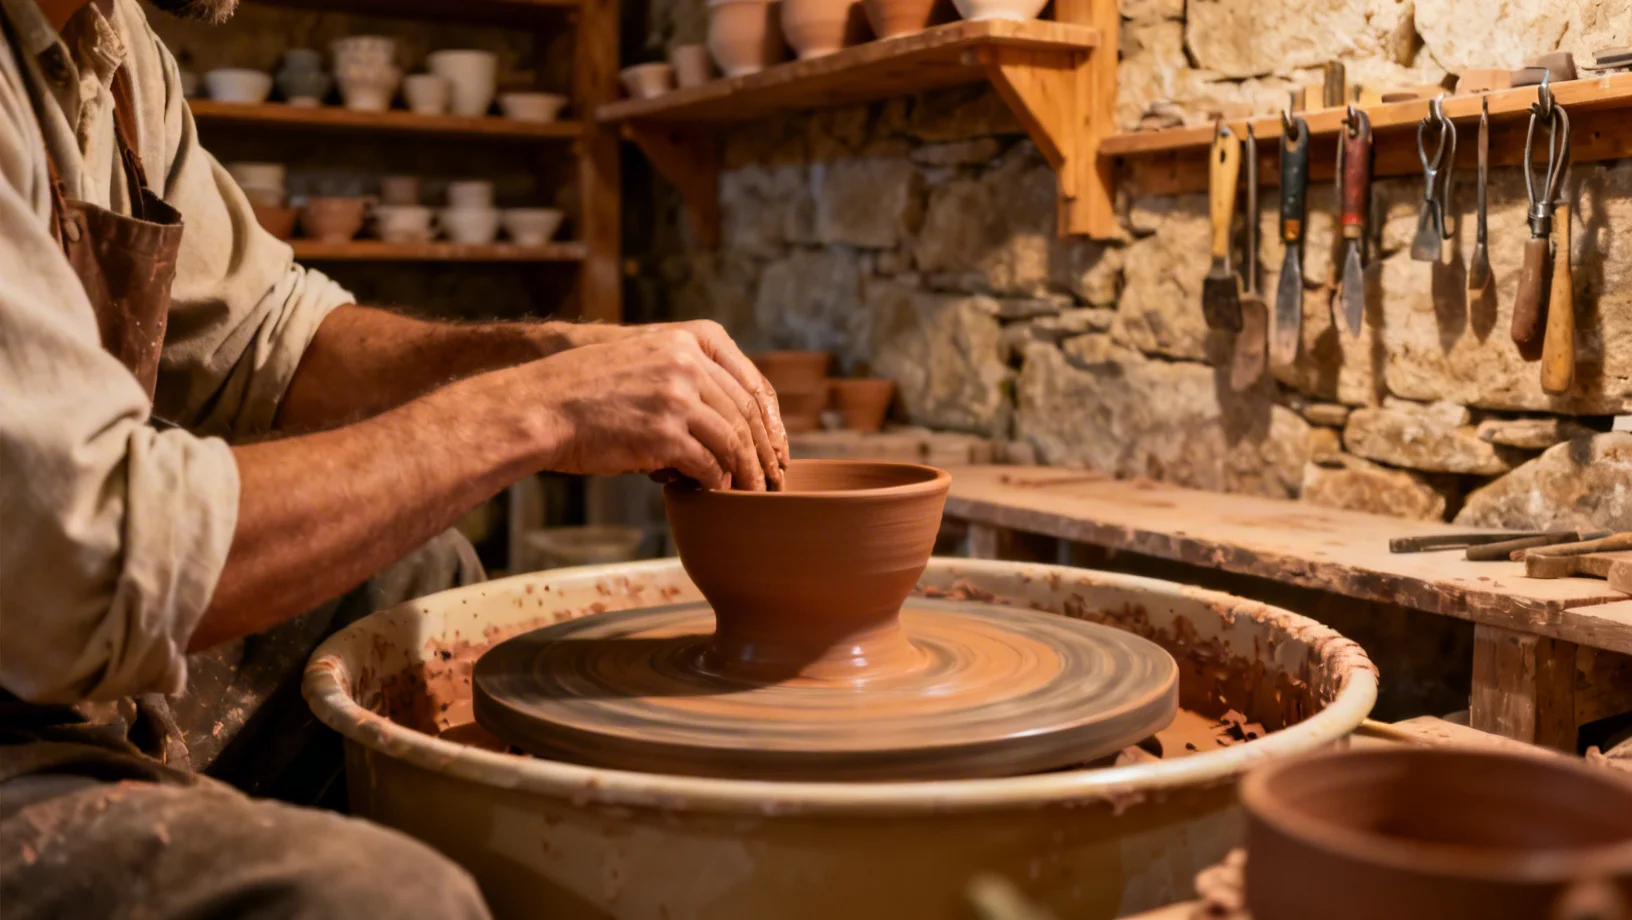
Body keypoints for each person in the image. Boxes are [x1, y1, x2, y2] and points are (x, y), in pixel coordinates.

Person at [0, 0, 788, 914]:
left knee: (420, 577)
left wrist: (543, 358)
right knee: (383, 898)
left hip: (53, 643)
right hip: (26, 672)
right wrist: (537, 412)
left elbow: (268, 338)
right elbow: (82, 559)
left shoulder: (114, 42)